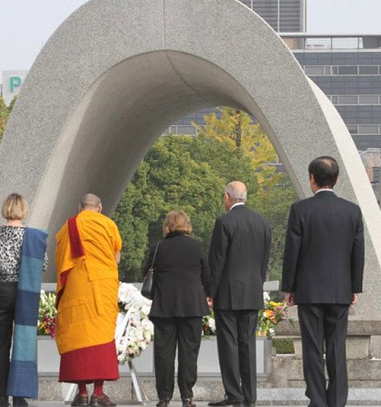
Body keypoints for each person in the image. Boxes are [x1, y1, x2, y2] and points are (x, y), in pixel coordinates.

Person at [281, 156, 365, 407]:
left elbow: (292, 251)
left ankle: (317, 399)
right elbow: (357, 253)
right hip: (341, 290)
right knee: (337, 348)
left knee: (312, 348)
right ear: (337, 179)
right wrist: (354, 287)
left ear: (312, 179)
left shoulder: (300, 210)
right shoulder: (352, 211)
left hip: (308, 290)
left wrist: (289, 287)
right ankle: (337, 400)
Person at [0, 193, 47, 407]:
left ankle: (2, 396)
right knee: (24, 340)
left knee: (0, 343)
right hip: (24, 290)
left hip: (0, 290)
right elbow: (42, 265)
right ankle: (19, 395)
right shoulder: (33, 237)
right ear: (23, 210)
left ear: (5, 209)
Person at [207, 181, 271, 407]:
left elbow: (217, 260)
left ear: (227, 197)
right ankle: (250, 395)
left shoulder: (224, 222)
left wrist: (210, 292)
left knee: (229, 344)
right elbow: (264, 262)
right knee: (248, 344)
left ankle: (234, 394)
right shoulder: (262, 223)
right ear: (246, 197)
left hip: (228, 293)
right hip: (252, 292)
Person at [55, 194, 122, 407]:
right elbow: (116, 257)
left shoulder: (69, 226)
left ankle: (82, 394)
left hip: (77, 287)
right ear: (99, 208)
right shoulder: (108, 224)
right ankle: (98, 394)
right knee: (101, 337)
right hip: (103, 287)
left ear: (79, 208)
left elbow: (60, 260)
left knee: (78, 337)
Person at [142, 211, 211, 407]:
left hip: (164, 307)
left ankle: (164, 396)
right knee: (189, 353)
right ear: (187, 225)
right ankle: (187, 396)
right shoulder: (196, 247)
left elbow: (145, 272)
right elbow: (207, 276)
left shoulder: (158, 248)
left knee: (164, 353)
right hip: (192, 307)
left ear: (167, 226)